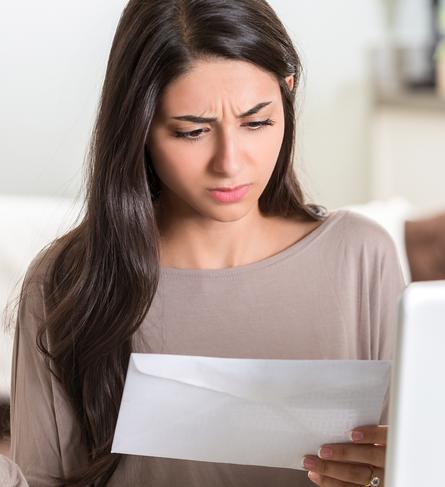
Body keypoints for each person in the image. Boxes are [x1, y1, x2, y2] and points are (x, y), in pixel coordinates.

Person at [9, 1, 406, 486]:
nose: (230, 163)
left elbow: (408, 455)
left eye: (256, 123)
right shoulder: (68, 282)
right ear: (138, 126)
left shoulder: (361, 258)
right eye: (192, 131)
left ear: (288, 94)